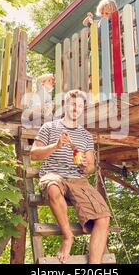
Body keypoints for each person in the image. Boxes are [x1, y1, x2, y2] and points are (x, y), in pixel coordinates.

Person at [30, 90, 111, 264]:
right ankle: (68, 237)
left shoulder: (86, 136)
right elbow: (34, 154)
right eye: (74, 104)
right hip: (54, 174)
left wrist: (84, 165)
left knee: (103, 217)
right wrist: (56, 145)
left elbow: (90, 167)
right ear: (65, 105)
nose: (77, 108)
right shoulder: (49, 128)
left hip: (78, 180)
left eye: (81, 106)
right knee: (52, 187)